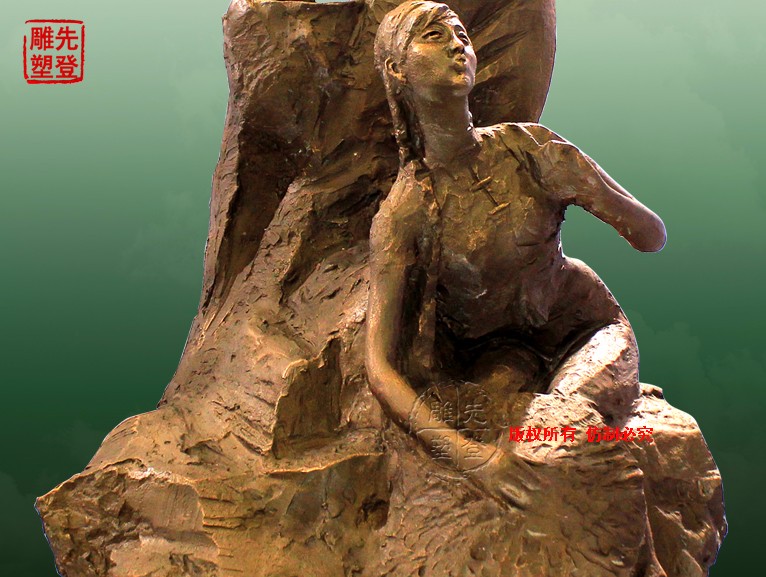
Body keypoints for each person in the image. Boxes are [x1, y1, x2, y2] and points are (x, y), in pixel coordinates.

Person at [365, 0, 666, 510]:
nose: (457, 44)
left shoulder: (529, 150)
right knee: (519, 444)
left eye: (460, 34)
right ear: (397, 70)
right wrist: (472, 460)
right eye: (434, 35)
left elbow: (651, 236)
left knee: (560, 431)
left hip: (585, 331)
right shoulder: (404, 214)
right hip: (498, 361)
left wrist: (586, 182)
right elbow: (379, 366)